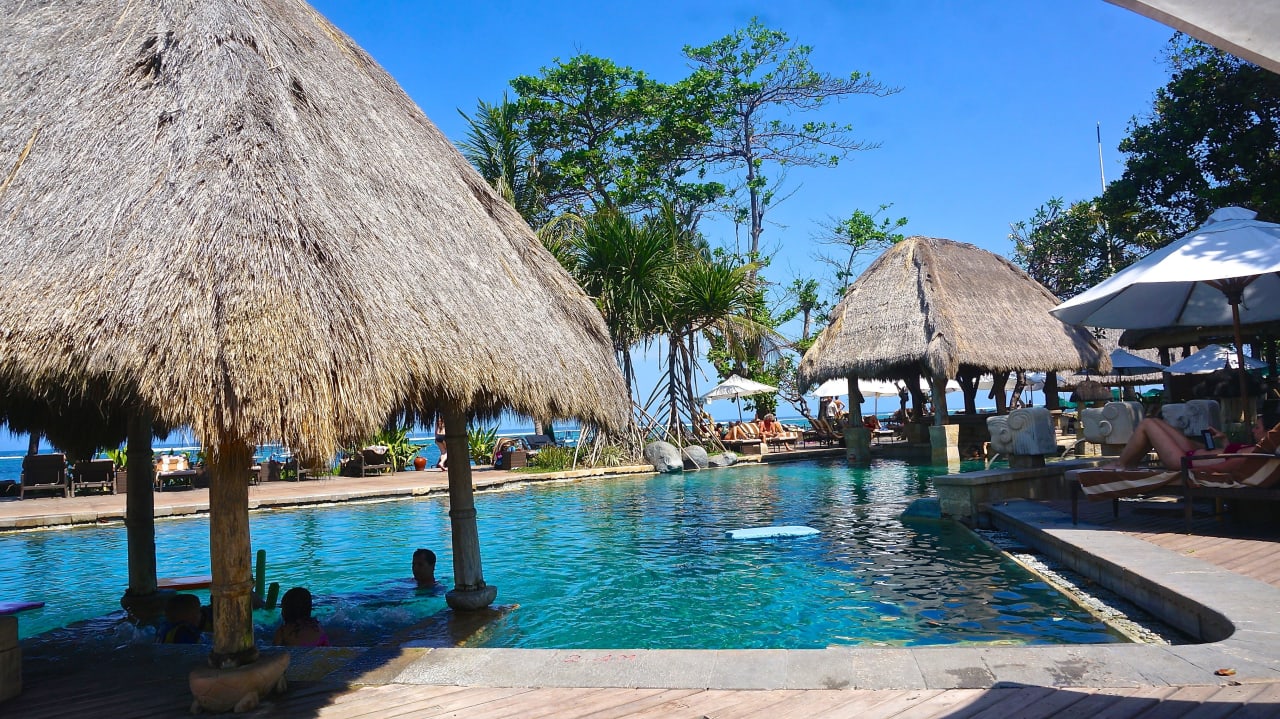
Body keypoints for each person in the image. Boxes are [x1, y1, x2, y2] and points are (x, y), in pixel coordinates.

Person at [1106, 411, 1278, 471]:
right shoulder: (1258, 448)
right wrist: (1225, 440)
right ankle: (1129, 464)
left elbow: (1227, 465)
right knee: (1154, 421)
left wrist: (1196, 474)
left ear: (1269, 432)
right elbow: (1230, 456)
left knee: (1148, 424)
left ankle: (1122, 464)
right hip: (1194, 453)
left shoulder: (1256, 452)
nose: (1253, 430)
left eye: (1257, 427)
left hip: (1186, 461)